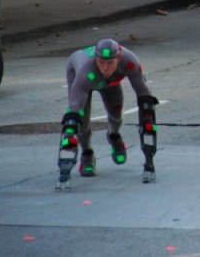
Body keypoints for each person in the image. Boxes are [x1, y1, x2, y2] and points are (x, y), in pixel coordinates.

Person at [56, 38, 158, 190]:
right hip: (84, 78)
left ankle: (114, 136)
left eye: (109, 63)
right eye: (101, 62)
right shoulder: (86, 68)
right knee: (80, 120)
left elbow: (143, 92)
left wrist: (147, 118)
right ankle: (87, 154)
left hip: (111, 82)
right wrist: (70, 128)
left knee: (116, 113)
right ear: (96, 59)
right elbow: (76, 105)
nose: (105, 67)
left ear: (119, 58)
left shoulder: (130, 61)